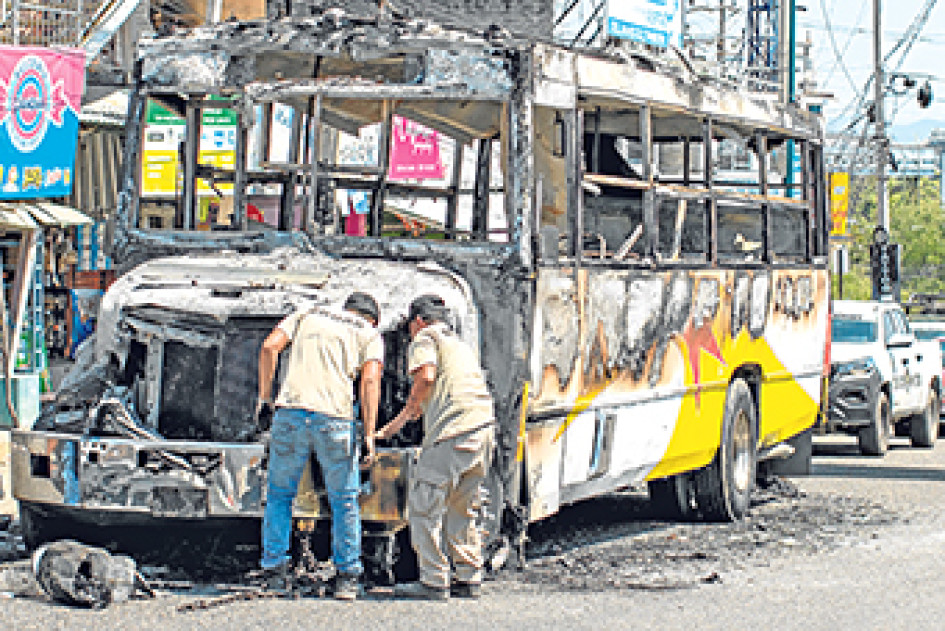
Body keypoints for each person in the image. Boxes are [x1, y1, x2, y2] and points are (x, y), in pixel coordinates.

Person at [256, 292, 383, 601]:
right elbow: (369, 381)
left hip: (291, 413)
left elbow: (270, 346)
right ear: (372, 318)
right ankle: (346, 578)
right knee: (345, 501)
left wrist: (265, 397)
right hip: (335, 419)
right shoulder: (368, 333)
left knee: (280, 495)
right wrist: (368, 433)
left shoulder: (307, 313)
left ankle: (274, 572)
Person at [375, 295, 496, 601]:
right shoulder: (458, 343)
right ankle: (469, 577)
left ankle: (433, 580)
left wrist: (406, 413)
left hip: (453, 432)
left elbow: (426, 376)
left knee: (423, 506)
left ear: (417, 321)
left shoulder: (426, 338)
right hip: (482, 428)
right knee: (461, 507)